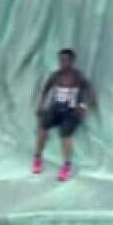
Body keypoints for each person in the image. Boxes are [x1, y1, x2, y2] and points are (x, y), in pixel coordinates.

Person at [33, 48, 96, 182]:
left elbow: (90, 91)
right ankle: (37, 158)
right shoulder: (55, 76)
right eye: (61, 60)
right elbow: (46, 89)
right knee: (43, 127)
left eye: (67, 60)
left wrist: (84, 107)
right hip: (56, 108)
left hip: (71, 111)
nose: (63, 63)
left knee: (65, 134)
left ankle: (66, 166)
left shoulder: (78, 76)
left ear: (72, 61)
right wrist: (41, 104)